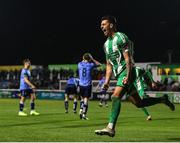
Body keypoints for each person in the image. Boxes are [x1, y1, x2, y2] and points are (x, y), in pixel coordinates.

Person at [95, 15, 175, 137]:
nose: (102, 27)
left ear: (111, 25)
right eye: (101, 25)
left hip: (127, 72)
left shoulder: (121, 37)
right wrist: (106, 81)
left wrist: (128, 75)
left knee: (115, 96)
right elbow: (109, 65)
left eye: (104, 24)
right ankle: (162, 99)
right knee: (139, 103)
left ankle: (110, 127)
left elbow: (128, 59)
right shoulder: (106, 45)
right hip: (120, 74)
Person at [78, 53, 101, 120]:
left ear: (83, 58)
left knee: (82, 99)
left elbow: (83, 60)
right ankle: (84, 114)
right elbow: (99, 64)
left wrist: (85, 58)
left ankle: (80, 110)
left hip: (81, 84)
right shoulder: (91, 65)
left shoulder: (79, 64)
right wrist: (92, 59)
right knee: (86, 100)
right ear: (89, 58)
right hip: (88, 85)